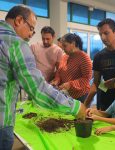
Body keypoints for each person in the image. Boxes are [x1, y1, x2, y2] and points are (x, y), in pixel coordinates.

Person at [0, 5, 85, 149]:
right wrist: (75, 107)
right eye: (31, 28)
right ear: (19, 20)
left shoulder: (76, 56)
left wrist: (63, 82)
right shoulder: (17, 44)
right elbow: (38, 89)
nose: (30, 34)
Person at [51, 33, 92, 103]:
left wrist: (70, 84)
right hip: (67, 95)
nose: (63, 49)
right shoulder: (65, 56)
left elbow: (86, 79)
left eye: (64, 46)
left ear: (73, 44)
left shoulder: (84, 58)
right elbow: (59, 71)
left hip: (81, 96)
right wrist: (56, 81)